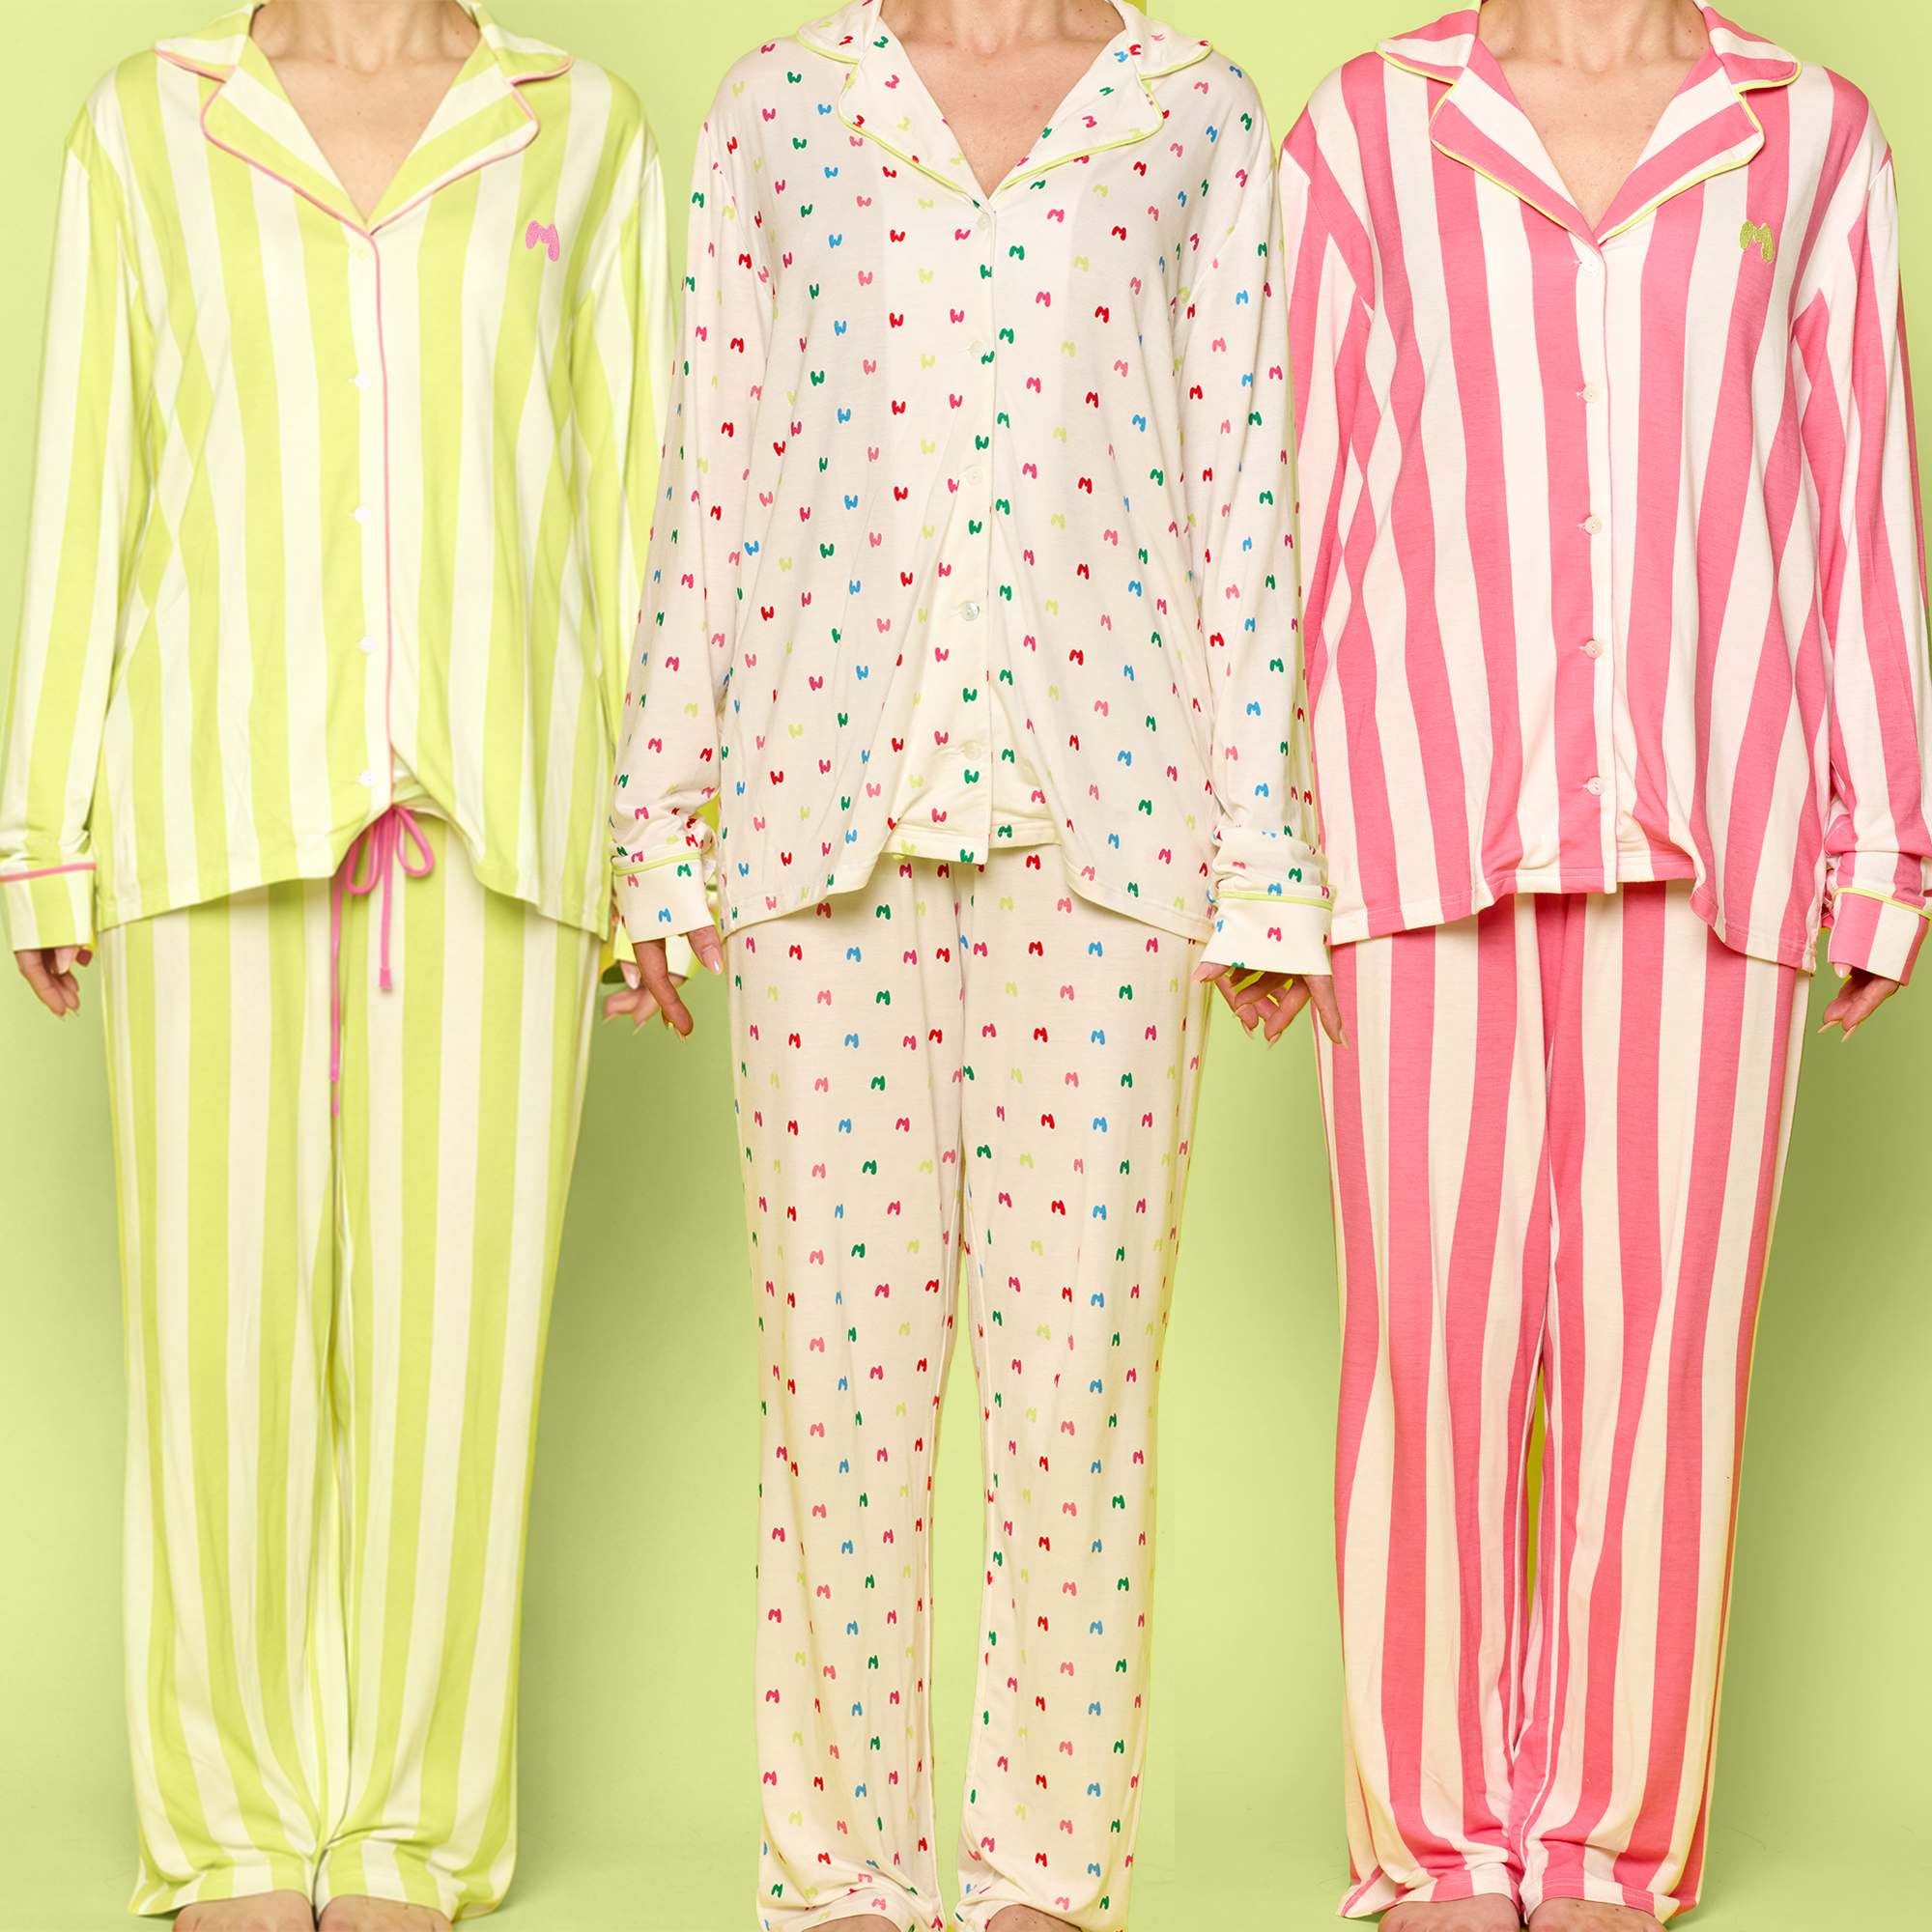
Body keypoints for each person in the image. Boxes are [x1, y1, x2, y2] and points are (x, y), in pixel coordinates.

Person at [604, 0, 1340, 1923]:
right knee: (835, 1399)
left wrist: (1266, 861)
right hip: (811, 826)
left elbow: (1244, 492)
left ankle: (1043, 1875)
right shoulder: (779, 110)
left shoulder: (1193, 112)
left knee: (1074, 1394)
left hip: (1115, 834)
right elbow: (712, 477)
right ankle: (844, 1877)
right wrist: (656, 820)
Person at [0, 3, 672, 1926]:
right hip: (205, 810)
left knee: (461, 1357)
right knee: (212, 1350)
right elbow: (89, 482)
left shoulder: (581, 127)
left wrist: (658, 841)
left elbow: (639, 511)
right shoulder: (145, 125)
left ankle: (408, 1832)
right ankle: (226, 1829)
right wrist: (44, 828)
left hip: (502, 825)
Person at [1281, 1, 1929, 1927]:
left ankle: (1604, 1850)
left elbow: (1861, 503)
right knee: (1427, 1349)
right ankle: (1434, 1845)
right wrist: (1255, 848)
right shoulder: (1363, 132)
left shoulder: (1810, 133)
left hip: (1719, 819)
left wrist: (1885, 843)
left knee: (1668, 1357)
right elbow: (1287, 493)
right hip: (1413, 821)